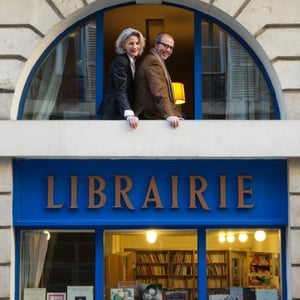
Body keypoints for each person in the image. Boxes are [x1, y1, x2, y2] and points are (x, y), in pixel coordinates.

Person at [98, 28, 145, 129]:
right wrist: (129, 113)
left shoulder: (130, 61)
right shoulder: (121, 62)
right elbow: (120, 90)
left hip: (119, 113)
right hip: (114, 113)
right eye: (131, 43)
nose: (135, 47)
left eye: (137, 43)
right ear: (123, 45)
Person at [134, 32, 183, 128]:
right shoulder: (153, 61)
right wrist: (169, 115)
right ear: (156, 44)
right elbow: (159, 91)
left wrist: (176, 114)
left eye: (171, 47)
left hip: (153, 116)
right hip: (150, 117)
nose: (168, 50)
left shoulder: (155, 59)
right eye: (165, 45)